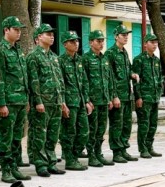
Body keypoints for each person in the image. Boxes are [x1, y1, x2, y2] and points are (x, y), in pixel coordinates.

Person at [0, 16, 30, 184]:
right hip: (8, 102)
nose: (19, 32)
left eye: (20, 29)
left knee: (16, 136)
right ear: (6, 30)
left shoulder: (18, 50)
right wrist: (1, 103)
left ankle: (14, 166)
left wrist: (27, 99)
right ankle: (5, 169)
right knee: (5, 136)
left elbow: (23, 77)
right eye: (16, 29)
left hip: (20, 100)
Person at [26, 23, 67, 178]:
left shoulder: (54, 57)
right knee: (39, 135)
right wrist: (37, 101)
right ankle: (40, 163)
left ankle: (51, 162)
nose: (51, 36)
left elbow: (59, 81)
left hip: (55, 102)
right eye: (48, 34)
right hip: (42, 103)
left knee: (53, 135)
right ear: (38, 37)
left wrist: (62, 101)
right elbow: (33, 81)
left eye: (52, 34)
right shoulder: (33, 56)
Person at [105, 25, 138, 163]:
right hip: (117, 95)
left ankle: (124, 149)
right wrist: (113, 96)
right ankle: (116, 152)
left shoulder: (124, 52)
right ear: (116, 36)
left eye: (127, 35)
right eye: (123, 34)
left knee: (126, 124)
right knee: (116, 125)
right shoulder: (110, 53)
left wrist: (133, 74)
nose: (126, 37)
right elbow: (109, 77)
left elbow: (128, 69)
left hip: (127, 95)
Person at [58, 31, 90, 171]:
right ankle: (70, 160)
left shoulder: (80, 60)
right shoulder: (60, 61)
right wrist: (63, 103)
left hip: (81, 101)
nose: (76, 44)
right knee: (68, 132)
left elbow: (84, 81)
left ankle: (74, 155)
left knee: (84, 132)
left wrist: (87, 100)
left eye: (77, 41)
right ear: (65, 44)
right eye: (72, 41)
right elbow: (60, 84)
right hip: (69, 103)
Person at [82, 30, 114, 167]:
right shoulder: (85, 59)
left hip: (104, 99)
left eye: (102, 41)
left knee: (101, 129)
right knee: (92, 129)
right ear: (90, 42)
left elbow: (109, 79)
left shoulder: (105, 58)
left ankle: (98, 153)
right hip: (93, 101)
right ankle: (91, 155)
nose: (101, 44)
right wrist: (87, 100)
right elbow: (84, 81)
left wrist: (110, 98)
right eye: (98, 41)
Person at [132, 33, 164, 159]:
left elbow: (159, 77)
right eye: (152, 42)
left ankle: (150, 146)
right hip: (144, 98)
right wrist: (138, 97)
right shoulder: (139, 60)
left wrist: (159, 92)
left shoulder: (156, 60)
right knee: (144, 124)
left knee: (153, 124)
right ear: (145, 44)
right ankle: (143, 148)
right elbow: (136, 81)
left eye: (156, 42)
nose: (155, 44)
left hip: (154, 97)